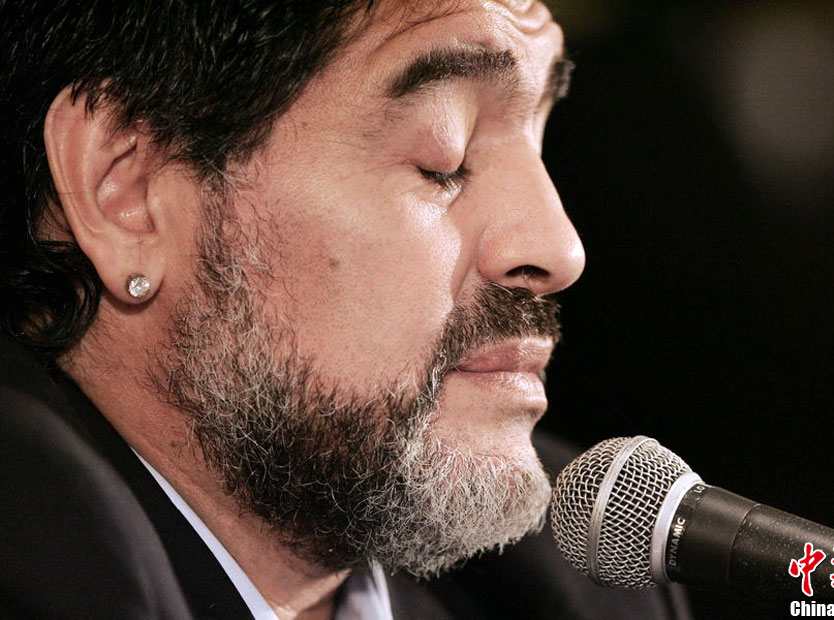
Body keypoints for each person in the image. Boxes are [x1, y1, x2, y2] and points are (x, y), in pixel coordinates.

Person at [0, 1, 690, 618]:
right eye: (443, 159)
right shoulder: (39, 569)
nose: (560, 249)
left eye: (540, 140)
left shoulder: (568, 583)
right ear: (128, 193)